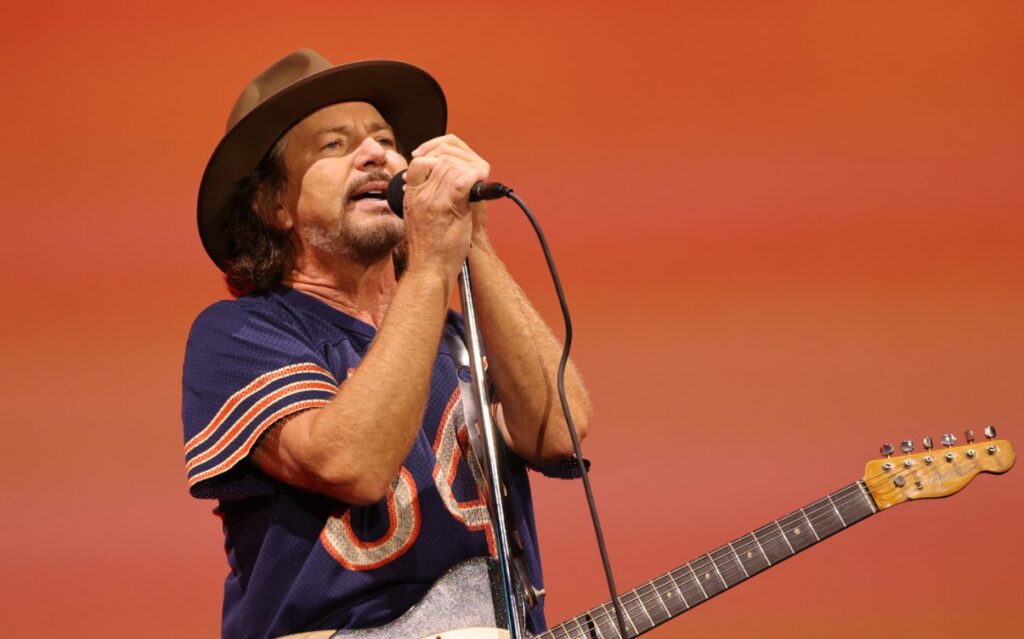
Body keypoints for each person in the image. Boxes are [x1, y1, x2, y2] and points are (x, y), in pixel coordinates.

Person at [182, 49, 592, 639]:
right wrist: (429, 267)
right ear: (273, 205)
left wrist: (472, 241)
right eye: (334, 145)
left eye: (385, 139)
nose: (376, 154)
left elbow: (560, 432)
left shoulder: (458, 337)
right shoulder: (239, 335)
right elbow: (353, 466)